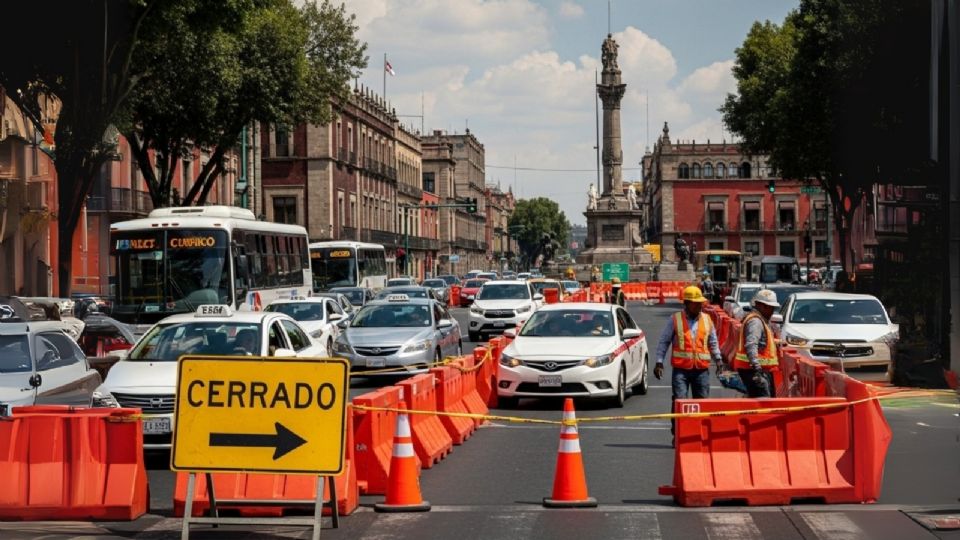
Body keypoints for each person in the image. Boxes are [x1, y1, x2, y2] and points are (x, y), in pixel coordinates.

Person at [654, 286, 723, 432]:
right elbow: (664, 341)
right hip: (681, 371)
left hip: (701, 370)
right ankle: (678, 434)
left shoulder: (707, 319)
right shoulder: (675, 319)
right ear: (686, 303)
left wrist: (718, 360)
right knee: (680, 401)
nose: (700, 305)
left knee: (702, 403)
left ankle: (700, 433)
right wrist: (659, 361)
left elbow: (713, 342)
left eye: (701, 303)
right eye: (696, 303)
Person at [733, 289, 780, 397]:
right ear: (759, 305)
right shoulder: (756, 321)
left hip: (757, 370)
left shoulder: (761, 320)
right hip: (753, 370)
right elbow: (751, 344)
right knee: (763, 402)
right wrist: (757, 367)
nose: (772, 311)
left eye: (773, 307)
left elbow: (760, 343)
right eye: (769, 307)